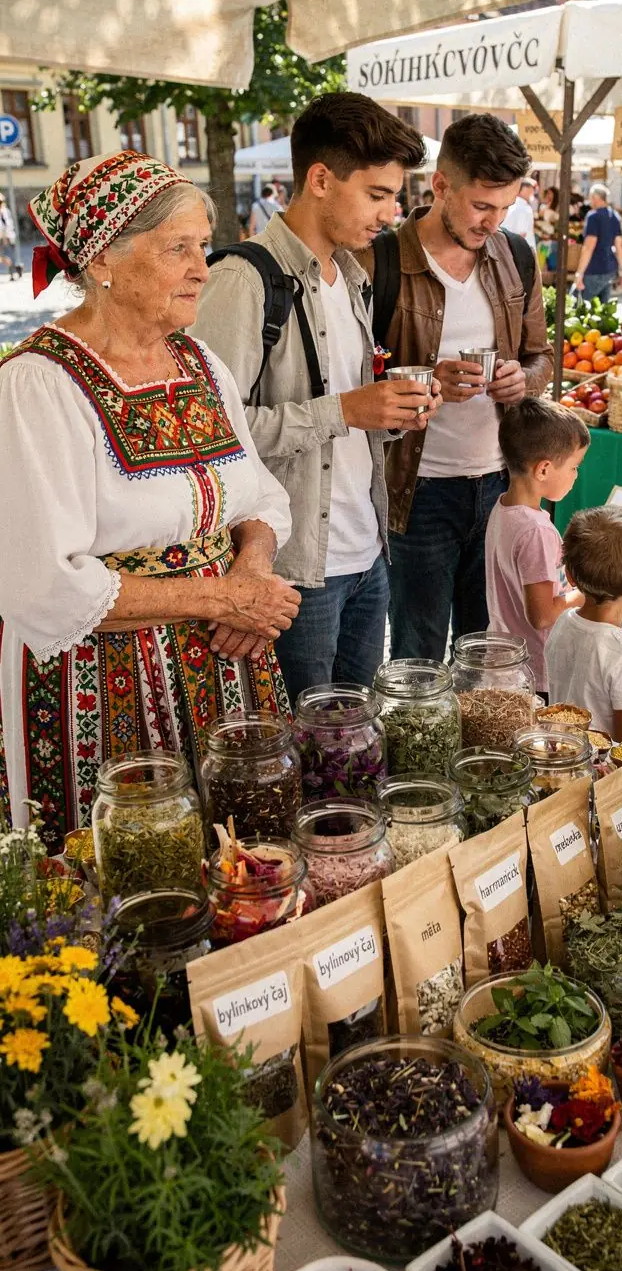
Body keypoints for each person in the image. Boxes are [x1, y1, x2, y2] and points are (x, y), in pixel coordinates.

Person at [0, 151, 297, 849]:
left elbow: (258, 495)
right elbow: (44, 582)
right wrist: (222, 599)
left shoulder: (199, 362)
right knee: (130, 883)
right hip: (100, 688)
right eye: (179, 249)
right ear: (104, 259)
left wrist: (251, 570)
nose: (203, 267)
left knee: (242, 864)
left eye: (203, 244)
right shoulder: (37, 385)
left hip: (224, 661)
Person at [195, 92, 438, 704]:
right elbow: (212, 437)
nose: (392, 213)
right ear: (321, 179)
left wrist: (390, 414)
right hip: (295, 566)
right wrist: (347, 410)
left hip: (367, 550)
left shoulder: (350, 277)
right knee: (303, 758)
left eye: (395, 197)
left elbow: (349, 418)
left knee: (350, 748)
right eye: (378, 194)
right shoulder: (243, 280)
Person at [356, 113, 553, 662]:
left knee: (492, 651)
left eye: (505, 208)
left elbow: (543, 357)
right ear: (441, 185)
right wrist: (424, 378)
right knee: (417, 652)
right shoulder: (381, 259)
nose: (493, 222)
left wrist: (523, 379)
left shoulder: (515, 256)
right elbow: (348, 380)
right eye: (481, 206)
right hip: (417, 491)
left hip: (501, 485)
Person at [485, 399, 588, 697]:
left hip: (505, 659)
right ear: (543, 469)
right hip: (537, 671)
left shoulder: (502, 507)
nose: (575, 475)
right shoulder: (537, 530)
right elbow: (542, 616)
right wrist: (585, 594)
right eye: (573, 467)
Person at [545, 507, 622, 738]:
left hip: (561, 752)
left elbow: (593, 661)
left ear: (569, 576)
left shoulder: (562, 622)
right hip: (602, 769)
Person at [572, 184, 622, 304]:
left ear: (596, 197)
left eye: (590, 197)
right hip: (610, 269)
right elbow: (619, 246)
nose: (589, 200)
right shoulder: (615, 216)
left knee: (578, 307)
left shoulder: (593, 216)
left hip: (594, 269)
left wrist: (579, 273)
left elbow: (588, 247)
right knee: (603, 311)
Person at [502, 176, 537, 252]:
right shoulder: (524, 208)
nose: (532, 193)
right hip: (521, 250)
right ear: (525, 190)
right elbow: (522, 234)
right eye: (531, 190)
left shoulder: (510, 204)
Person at [0, 193, 22, 279]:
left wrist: (5, 237)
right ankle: (17, 268)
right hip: (2, 237)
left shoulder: (5, 211)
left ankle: (12, 273)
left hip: (7, 237)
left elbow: (8, 225)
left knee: (8, 255)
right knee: (4, 257)